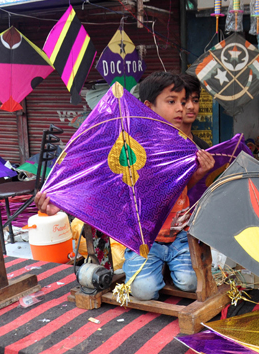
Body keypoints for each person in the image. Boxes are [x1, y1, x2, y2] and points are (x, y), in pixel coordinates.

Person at [36, 72, 215, 301]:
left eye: (182, 101)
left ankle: (168, 266)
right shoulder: (127, 143)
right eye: (172, 102)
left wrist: (199, 173)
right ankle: (156, 267)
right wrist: (61, 202)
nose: (182, 108)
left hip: (179, 234)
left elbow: (181, 186)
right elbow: (94, 181)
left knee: (190, 284)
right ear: (148, 107)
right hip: (144, 240)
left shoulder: (186, 146)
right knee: (145, 291)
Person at [180, 74, 210, 149]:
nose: (191, 106)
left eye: (195, 101)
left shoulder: (203, 148)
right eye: (184, 101)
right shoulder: (160, 145)